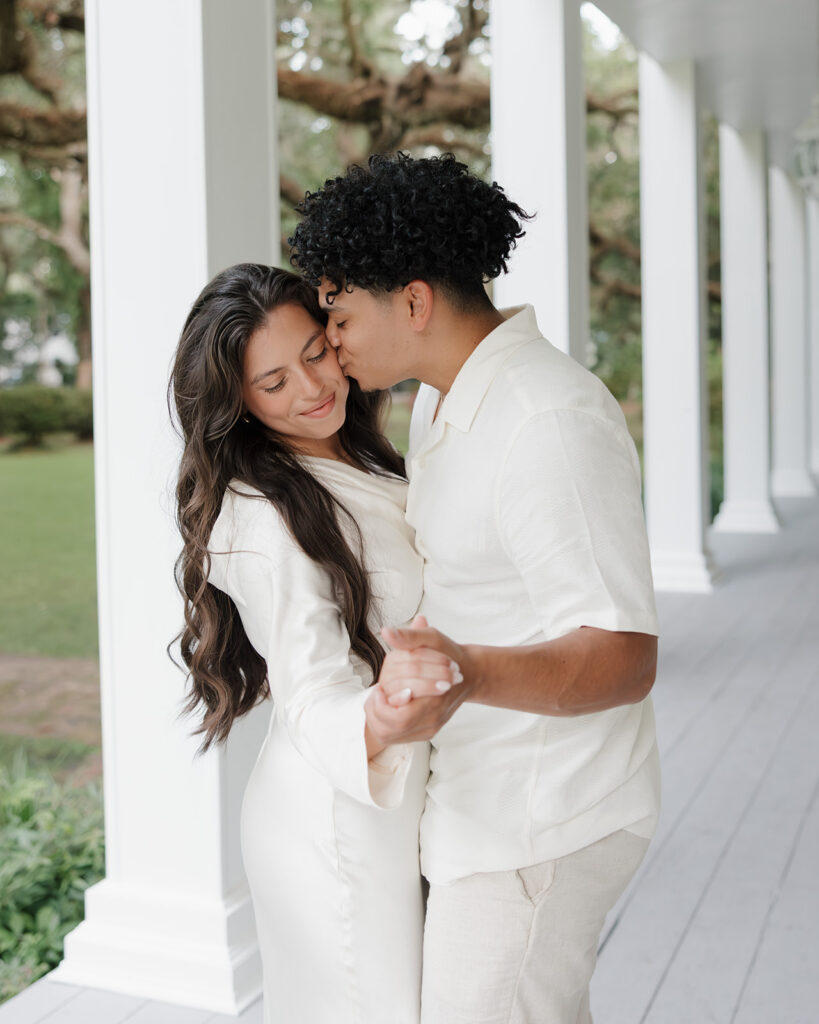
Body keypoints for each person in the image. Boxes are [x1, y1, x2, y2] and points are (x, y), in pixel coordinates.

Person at [289, 152, 661, 1024]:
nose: (328, 338)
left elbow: (625, 658)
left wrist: (469, 673)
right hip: (479, 806)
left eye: (338, 314)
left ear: (413, 302)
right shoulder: (438, 400)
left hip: (545, 820)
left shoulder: (546, 421)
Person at [169, 264, 459, 1024]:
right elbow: (312, 690)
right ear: (238, 406)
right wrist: (386, 715)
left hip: (394, 797)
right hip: (338, 816)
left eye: (313, 352)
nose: (310, 388)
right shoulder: (261, 517)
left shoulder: (356, 453)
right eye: (272, 383)